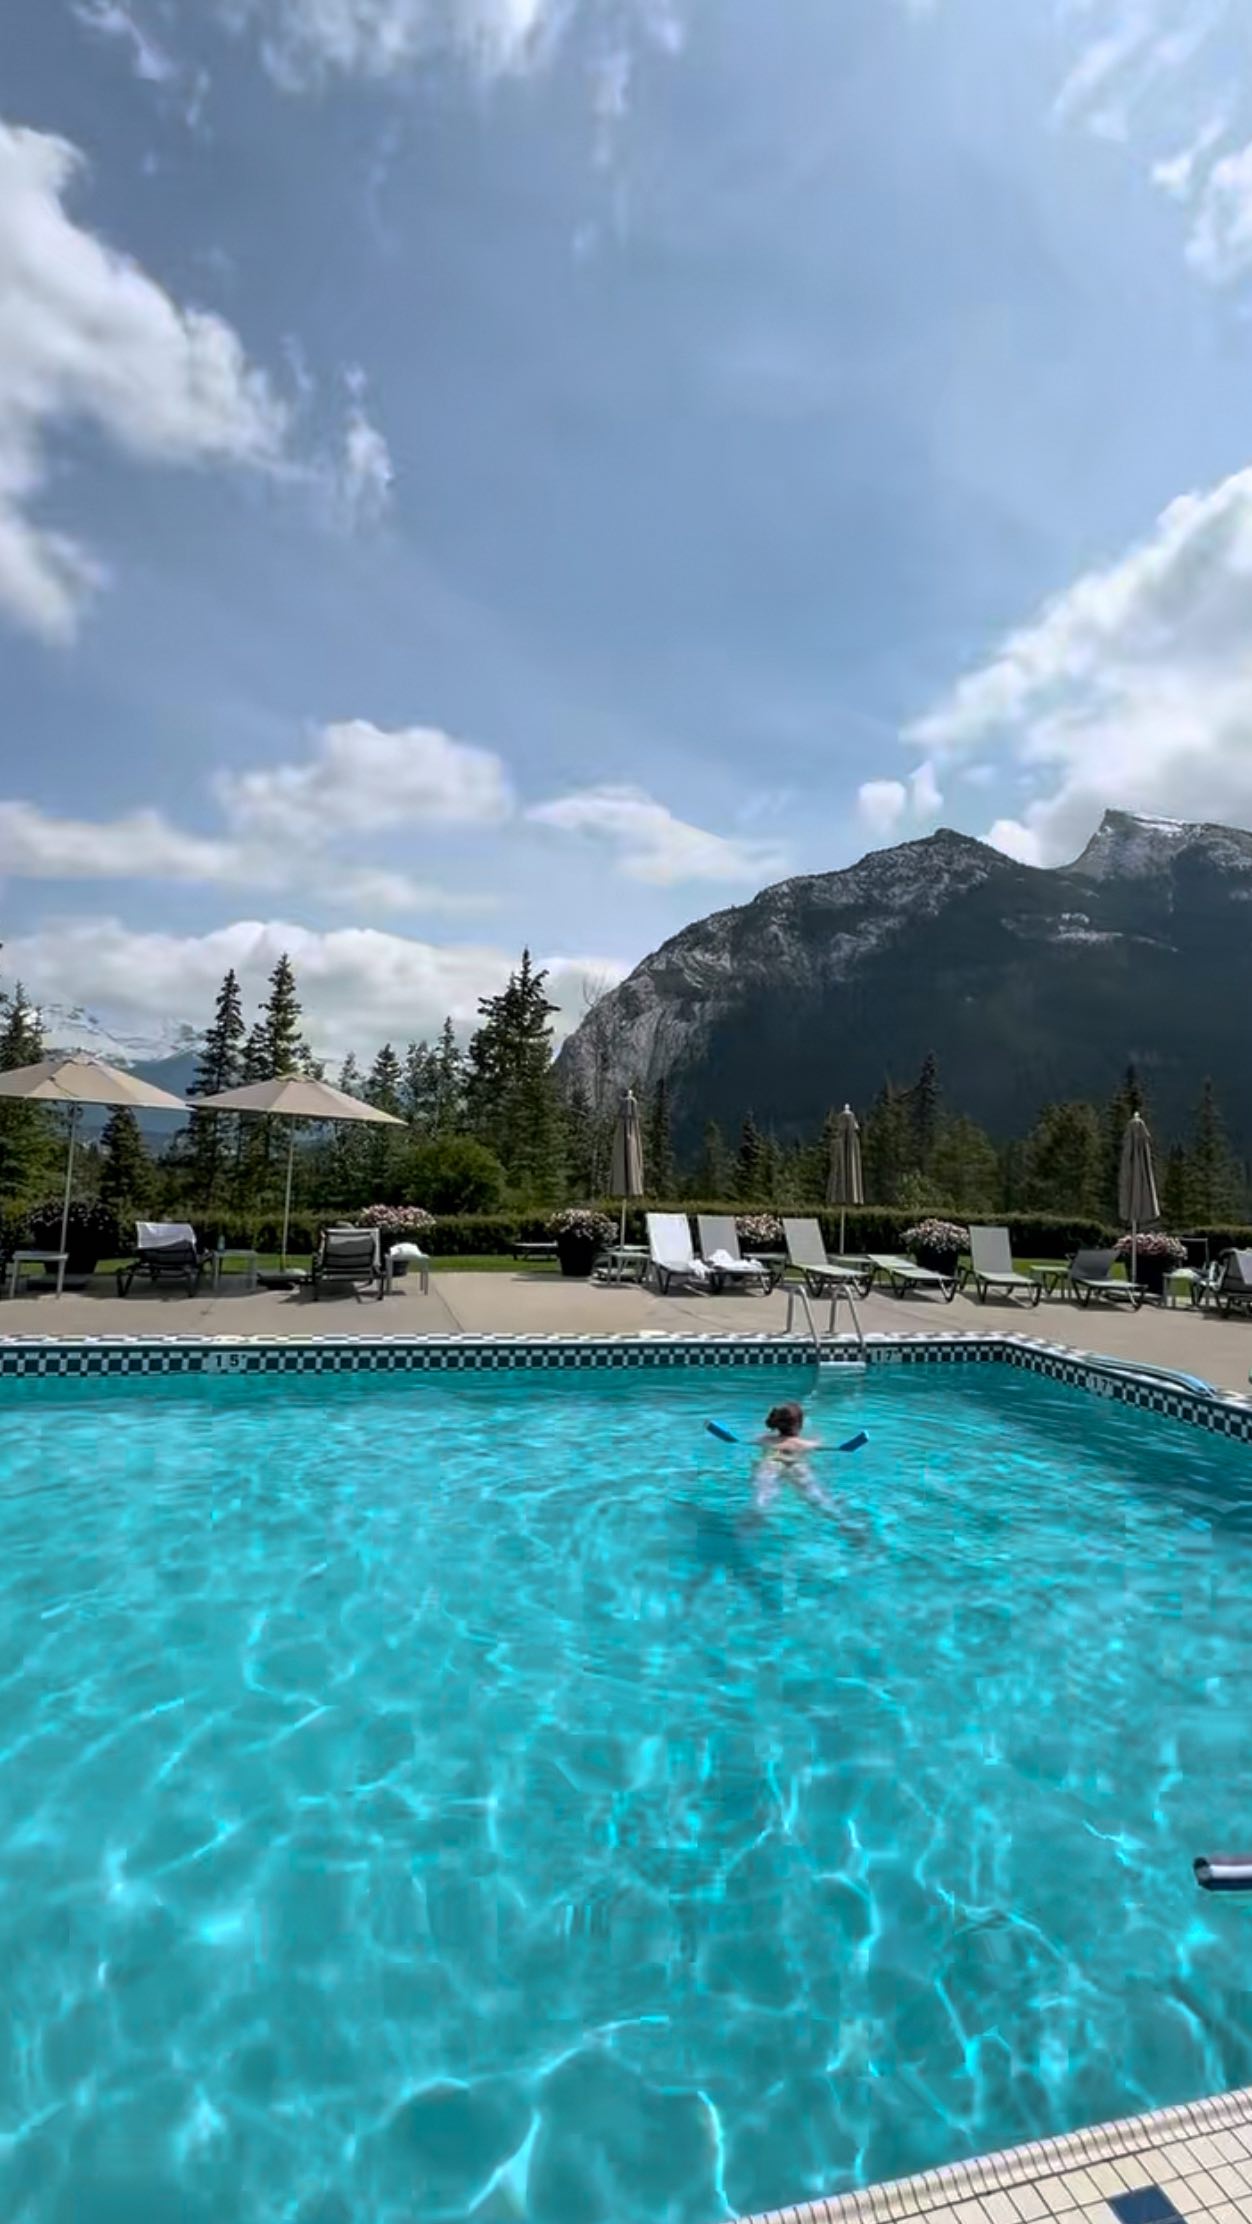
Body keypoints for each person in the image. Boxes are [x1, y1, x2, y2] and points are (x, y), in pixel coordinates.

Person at [747, 1402, 865, 1539]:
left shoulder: (764, 1439)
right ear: (799, 1425)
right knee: (819, 1499)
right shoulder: (804, 1444)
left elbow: (751, 1441)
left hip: (772, 1463)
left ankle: (753, 1524)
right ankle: (847, 1524)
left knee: (763, 1497)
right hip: (796, 1466)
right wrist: (819, 1441)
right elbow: (821, 1445)